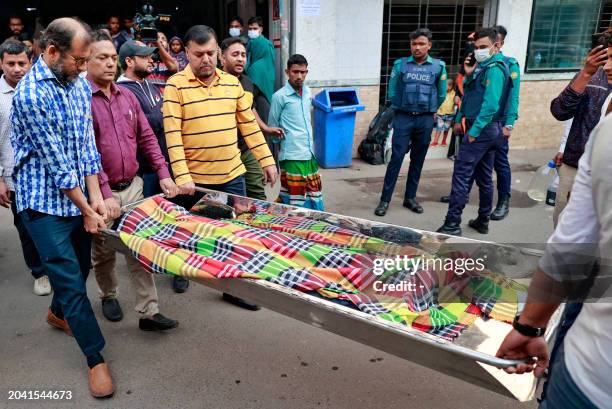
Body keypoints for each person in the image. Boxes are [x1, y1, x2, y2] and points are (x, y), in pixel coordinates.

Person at [11, 17, 114, 398]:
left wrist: (96, 198)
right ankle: (95, 358)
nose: (85, 67)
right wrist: (87, 209)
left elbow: (86, 145)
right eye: (79, 60)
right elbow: (57, 165)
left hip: (78, 198)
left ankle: (58, 314)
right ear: (52, 51)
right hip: (43, 203)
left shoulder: (75, 84)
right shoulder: (30, 95)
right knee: (71, 281)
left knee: (82, 266)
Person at [495, 92, 612, 408]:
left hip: (593, 378)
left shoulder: (607, 132)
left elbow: (570, 250)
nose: (610, 67)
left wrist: (528, 326)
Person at [163, 25, 277, 310]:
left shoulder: (232, 83)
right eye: (199, 54)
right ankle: (181, 271)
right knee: (189, 230)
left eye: (211, 53)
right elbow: (172, 135)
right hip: (195, 180)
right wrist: (182, 176)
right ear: (187, 52)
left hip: (232, 176)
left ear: (217, 52)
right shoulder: (175, 85)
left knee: (232, 235)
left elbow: (249, 126)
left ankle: (232, 288)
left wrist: (266, 160)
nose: (206, 59)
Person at [86, 31, 180, 330]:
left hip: (134, 186)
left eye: (113, 58)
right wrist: (103, 194)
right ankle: (108, 294)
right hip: (102, 194)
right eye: (102, 58)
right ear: (86, 62)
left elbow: (148, 138)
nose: (110, 64)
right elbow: (85, 153)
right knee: (103, 252)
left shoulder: (127, 96)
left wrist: (163, 173)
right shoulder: (81, 100)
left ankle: (149, 311)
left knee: (140, 248)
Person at [116, 40, 190, 294]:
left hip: (165, 164)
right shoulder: (120, 90)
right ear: (128, 61)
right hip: (144, 169)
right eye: (145, 57)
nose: (151, 60)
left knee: (174, 215)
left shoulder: (151, 84)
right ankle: (158, 262)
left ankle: (177, 267)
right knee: (151, 220)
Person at [436, 28, 511, 236]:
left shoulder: (495, 69)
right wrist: (469, 75)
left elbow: (490, 106)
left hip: (484, 130)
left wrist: (474, 132)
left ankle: (452, 224)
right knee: (484, 177)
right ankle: (482, 220)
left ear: (496, 46)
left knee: (461, 175)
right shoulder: (483, 67)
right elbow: (470, 96)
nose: (479, 51)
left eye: (483, 47)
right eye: (477, 48)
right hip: (487, 131)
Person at [374, 28, 447, 217]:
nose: (417, 47)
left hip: (425, 119)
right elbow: (392, 91)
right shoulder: (400, 65)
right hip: (404, 117)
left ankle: (410, 198)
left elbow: (441, 94)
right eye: (414, 44)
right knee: (396, 158)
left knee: (418, 159)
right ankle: (385, 200)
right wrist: (400, 110)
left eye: (421, 44)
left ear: (429, 45)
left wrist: (430, 110)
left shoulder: (439, 67)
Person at [0, 40, 49, 296]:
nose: (17, 69)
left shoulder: (39, 90)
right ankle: (40, 273)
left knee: (49, 222)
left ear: (30, 63)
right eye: (11, 63)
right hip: (14, 177)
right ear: (1, 63)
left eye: (22, 63)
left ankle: (55, 265)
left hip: (43, 174)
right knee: (25, 227)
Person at [550, 30, 611, 226]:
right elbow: (561, 111)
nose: (607, 66)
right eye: (606, 57)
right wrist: (585, 74)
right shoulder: (592, 77)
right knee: (564, 227)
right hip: (575, 166)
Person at [220, 37, 284, 200]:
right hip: (223, 151)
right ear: (222, 57)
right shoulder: (215, 83)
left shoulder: (248, 83)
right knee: (230, 197)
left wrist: (266, 128)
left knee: (257, 192)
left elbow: (251, 109)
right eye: (235, 54)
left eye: (243, 54)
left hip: (246, 147)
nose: (240, 58)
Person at [269, 54, 324, 210]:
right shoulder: (279, 97)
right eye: (295, 72)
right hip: (292, 156)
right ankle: (293, 229)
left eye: (303, 72)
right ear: (287, 72)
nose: (299, 76)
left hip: (309, 154)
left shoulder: (307, 93)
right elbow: (272, 128)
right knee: (295, 199)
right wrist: (284, 145)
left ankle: (313, 227)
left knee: (314, 194)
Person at [488, 25, 521, 221]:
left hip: (498, 123)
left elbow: (513, 96)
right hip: (477, 122)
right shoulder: (481, 63)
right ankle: (459, 195)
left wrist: (509, 123)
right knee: (467, 161)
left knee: (500, 163)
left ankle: (503, 201)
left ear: (499, 43)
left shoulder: (510, 64)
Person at [245, 16, 276, 104]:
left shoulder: (255, 68)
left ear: (261, 29)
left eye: (255, 28)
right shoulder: (253, 43)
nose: (252, 31)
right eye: (250, 29)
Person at [431, 77, 456, 146]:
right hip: (440, 114)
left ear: (451, 86)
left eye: (446, 85)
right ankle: (435, 141)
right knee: (439, 128)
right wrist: (435, 111)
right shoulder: (441, 93)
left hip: (450, 114)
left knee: (446, 129)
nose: (444, 87)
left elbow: (456, 102)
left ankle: (444, 141)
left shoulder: (454, 93)